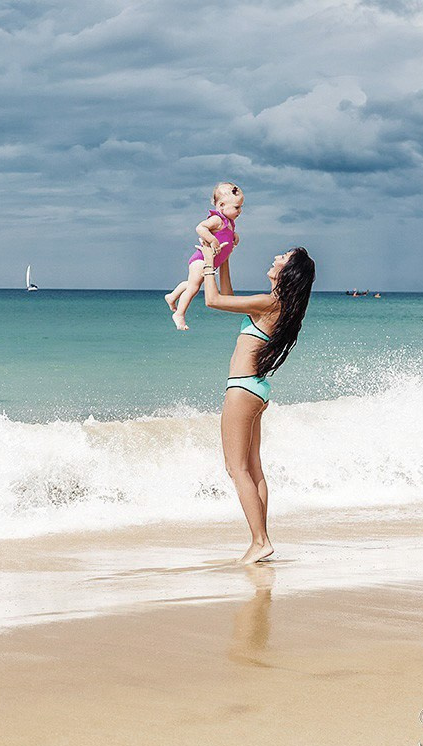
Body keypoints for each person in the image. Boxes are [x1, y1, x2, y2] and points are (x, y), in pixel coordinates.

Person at [201, 246, 315, 563]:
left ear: (288, 271)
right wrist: (224, 260)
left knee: (236, 468)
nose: (276, 257)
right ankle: (261, 540)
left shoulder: (269, 303)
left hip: (242, 389)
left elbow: (213, 300)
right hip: (256, 390)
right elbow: (227, 296)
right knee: (253, 468)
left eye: (283, 257)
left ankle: (260, 541)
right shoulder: (277, 305)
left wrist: (208, 264)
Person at [164, 183, 244, 330]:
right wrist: (212, 240)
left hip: (211, 262)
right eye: (237, 207)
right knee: (194, 287)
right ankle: (179, 314)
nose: (240, 211)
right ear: (221, 205)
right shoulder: (217, 220)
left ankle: (172, 296)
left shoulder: (230, 223)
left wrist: (234, 236)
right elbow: (200, 227)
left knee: (193, 283)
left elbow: (226, 234)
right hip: (201, 259)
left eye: (241, 207)